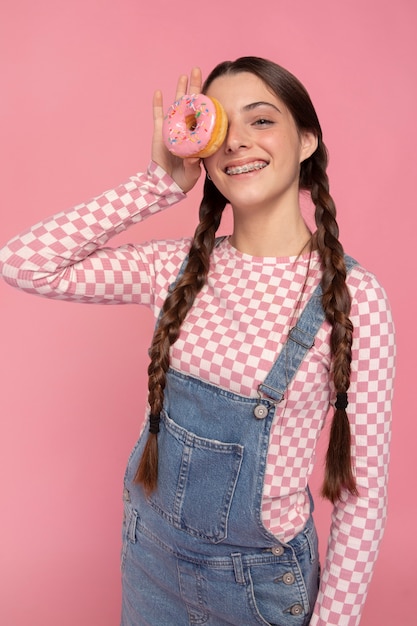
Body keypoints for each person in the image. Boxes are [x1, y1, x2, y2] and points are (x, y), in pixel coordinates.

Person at [0, 57, 395, 625]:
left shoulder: (356, 300)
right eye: (218, 129)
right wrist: (157, 184)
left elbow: (363, 495)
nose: (236, 143)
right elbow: (23, 265)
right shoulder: (175, 269)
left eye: (260, 121)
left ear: (306, 140)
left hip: (256, 585)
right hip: (150, 561)